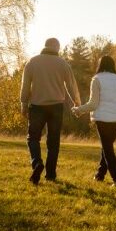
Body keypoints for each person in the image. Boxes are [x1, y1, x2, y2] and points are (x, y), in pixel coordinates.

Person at [20, 38, 81, 185]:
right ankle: (51, 174)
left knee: (33, 138)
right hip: (56, 107)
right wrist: (77, 102)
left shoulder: (33, 61)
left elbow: (25, 84)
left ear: (45, 46)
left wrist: (23, 103)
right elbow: (71, 85)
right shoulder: (63, 64)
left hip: (37, 106)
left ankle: (37, 163)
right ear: (57, 48)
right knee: (53, 142)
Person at [72, 55, 116, 187]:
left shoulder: (97, 79)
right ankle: (100, 175)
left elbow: (93, 104)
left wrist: (79, 110)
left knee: (107, 150)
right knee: (107, 148)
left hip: (102, 120)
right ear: (113, 65)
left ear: (100, 65)